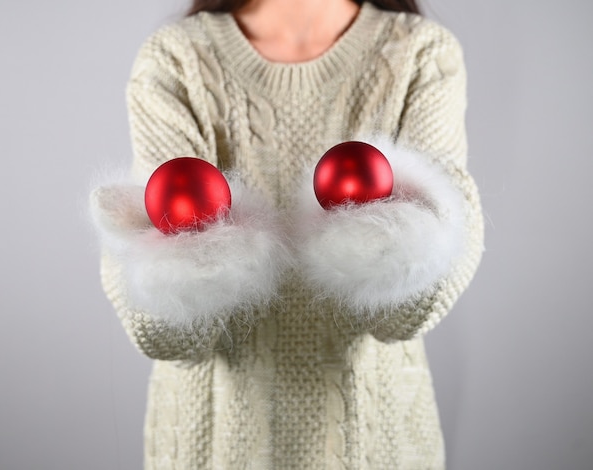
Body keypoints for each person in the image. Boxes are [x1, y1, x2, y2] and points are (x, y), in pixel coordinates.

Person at [90, 0, 484, 468]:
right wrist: (169, 270)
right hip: (216, 445)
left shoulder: (420, 54)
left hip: (370, 443)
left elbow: (406, 311)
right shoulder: (177, 59)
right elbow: (170, 333)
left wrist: (406, 243)